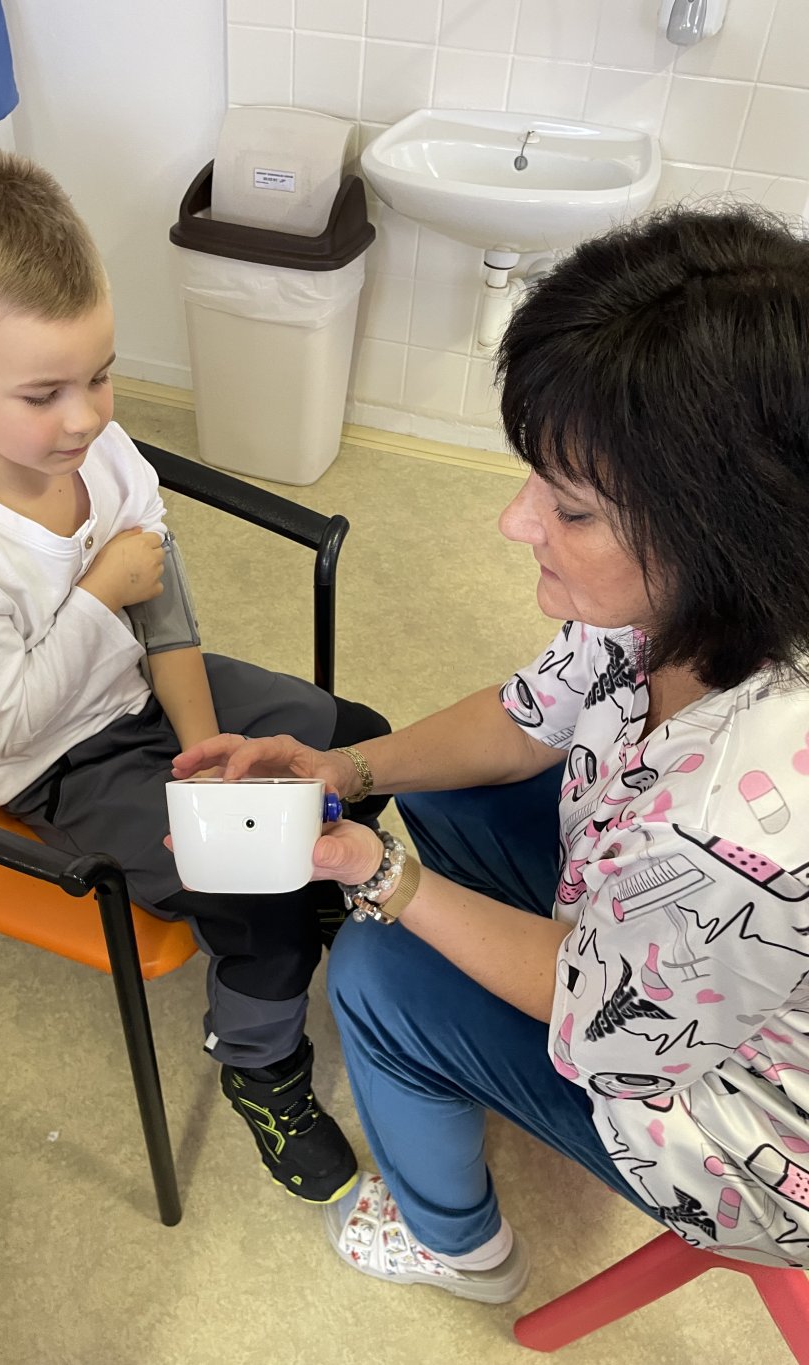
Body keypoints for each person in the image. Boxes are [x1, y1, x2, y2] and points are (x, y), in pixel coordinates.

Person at [173, 204, 809, 1299]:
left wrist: (383, 875)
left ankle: (456, 1246)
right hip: (675, 946)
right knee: (445, 798)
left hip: (738, 1122)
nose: (514, 523)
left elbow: (608, 1027)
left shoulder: (736, 826)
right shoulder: (681, 607)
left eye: (571, 509)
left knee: (374, 970)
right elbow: (528, 716)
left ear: (720, 531)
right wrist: (345, 770)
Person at [0, 149, 391, 1206]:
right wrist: (95, 596)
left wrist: (206, 757)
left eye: (101, 375)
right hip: (50, 758)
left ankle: (306, 894)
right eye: (43, 393)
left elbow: (166, 614)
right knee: (253, 893)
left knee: (354, 738)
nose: (85, 417)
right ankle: (260, 1066)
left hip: (141, 687)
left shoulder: (100, 454)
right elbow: (3, 719)